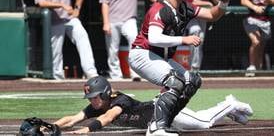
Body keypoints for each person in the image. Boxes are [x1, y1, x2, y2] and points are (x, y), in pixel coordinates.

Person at [127, 0, 238, 135]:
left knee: (192, 80)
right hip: (142, 54)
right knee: (175, 81)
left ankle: (166, 120)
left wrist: (224, 1)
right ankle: (155, 128)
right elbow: (153, 38)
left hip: (161, 57)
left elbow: (212, 15)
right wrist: (183, 39)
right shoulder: (160, 8)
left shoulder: (186, 7)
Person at [51, 76, 253, 134]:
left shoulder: (120, 100)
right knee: (201, 119)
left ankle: (229, 103)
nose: (92, 101)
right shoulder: (96, 106)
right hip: (160, 121)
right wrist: (51, 127)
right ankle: (232, 113)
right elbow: (72, 119)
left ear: (105, 93)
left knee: (204, 122)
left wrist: (86, 130)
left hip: (164, 111)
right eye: (90, 98)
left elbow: (107, 118)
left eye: (95, 97)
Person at [34, 0, 98, 80]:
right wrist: (62, 5)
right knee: (56, 51)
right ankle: (58, 77)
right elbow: (41, 3)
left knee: (82, 36)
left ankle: (91, 73)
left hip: (69, 18)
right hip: (53, 21)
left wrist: (77, 8)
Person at [99, 0, 157, 81]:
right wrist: (106, 22)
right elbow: (105, 2)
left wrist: (157, 3)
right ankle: (115, 75)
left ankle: (135, 73)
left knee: (134, 42)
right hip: (112, 19)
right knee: (112, 49)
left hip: (129, 19)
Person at [241, 0, 274, 72]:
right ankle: (251, 66)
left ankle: (258, 69)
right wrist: (254, 7)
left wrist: (269, 1)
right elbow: (243, 0)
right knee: (256, 41)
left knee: (261, 46)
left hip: (265, 21)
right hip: (251, 19)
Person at [186, 0, 213, 71]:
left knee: (200, 41)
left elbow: (217, 1)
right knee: (195, 30)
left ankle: (195, 70)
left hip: (201, 13)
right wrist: (208, 4)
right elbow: (190, 0)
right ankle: (192, 69)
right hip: (188, 13)